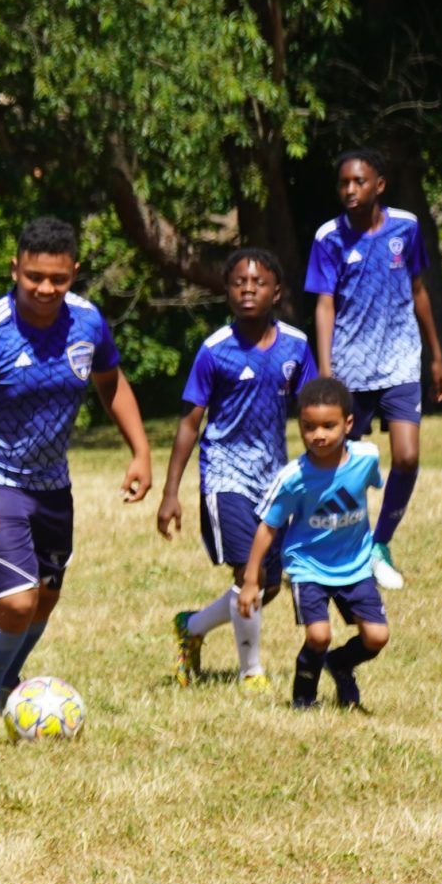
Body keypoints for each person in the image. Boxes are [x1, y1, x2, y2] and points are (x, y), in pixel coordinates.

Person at [0, 216, 153, 723]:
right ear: (15, 269)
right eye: (33, 278)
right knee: (17, 600)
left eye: (58, 279)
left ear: (75, 272)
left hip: (49, 481)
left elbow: (111, 382)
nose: (45, 289)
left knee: (45, 597)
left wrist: (140, 450)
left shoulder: (88, 322)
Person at [155, 249, 316, 691]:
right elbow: (190, 423)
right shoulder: (214, 351)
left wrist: (322, 471)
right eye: (238, 283)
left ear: (276, 292)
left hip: (273, 476)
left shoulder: (296, 347)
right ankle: (252, 673)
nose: (247, 289)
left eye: (257, 282)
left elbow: (311, 411)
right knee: (248, 570)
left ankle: (192, 626)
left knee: (269, 585)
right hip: (224, 474)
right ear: (226, 292)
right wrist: (171, 493)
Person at [304, 148, 442, 591]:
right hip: (349, 367)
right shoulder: (329, 237)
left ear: (379, 185)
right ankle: (332, 548)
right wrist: (326, 373)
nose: (349, 190)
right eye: (343, 183)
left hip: (401, 359)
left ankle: (379, 544)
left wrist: (435, 355)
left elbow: (418, 289)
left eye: (358, 182)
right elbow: (324, 304)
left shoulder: (406, 226)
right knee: (339, 464)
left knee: (406, 457)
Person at [241, 378, 389, 709]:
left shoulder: (366, 458)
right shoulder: (294, 477)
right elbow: (268, 527)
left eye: (328, 426)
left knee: (377, 637)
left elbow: (376, 487)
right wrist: (253, 579)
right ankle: (303, 698)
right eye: (308, 427)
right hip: (308, 566)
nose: (318, 434)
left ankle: (341, 664)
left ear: (348, 423)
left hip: (356, 565)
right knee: (318, 636)